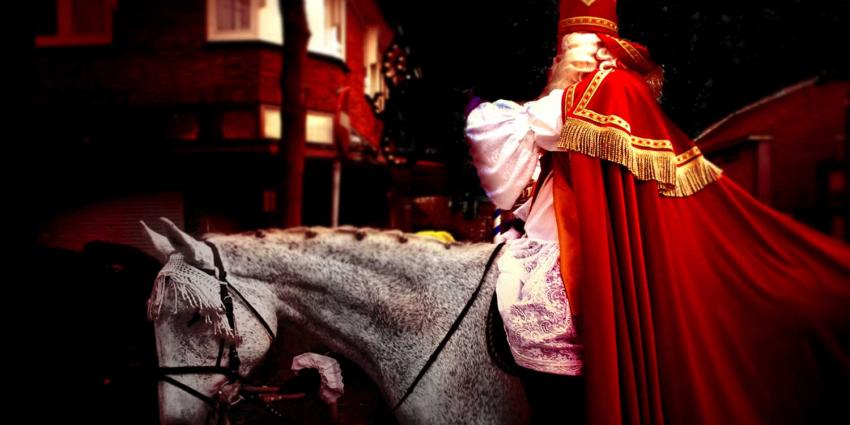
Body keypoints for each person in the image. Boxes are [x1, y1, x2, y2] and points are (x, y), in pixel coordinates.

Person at [465, 1, 850, 424]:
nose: (580, 63)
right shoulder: (555, 108)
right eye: (569, 53)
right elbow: (506, 183)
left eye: (587, 51)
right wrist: (555, 91)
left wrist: (562, 93)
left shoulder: (617, 94)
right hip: (555, 257)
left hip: (600, 272)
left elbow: (525, 128)